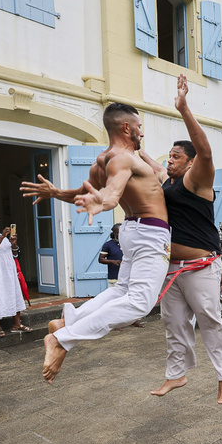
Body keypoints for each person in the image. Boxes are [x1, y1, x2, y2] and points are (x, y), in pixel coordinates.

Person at [20, 101, 170, 384]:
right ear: (127, 127)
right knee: (139, 304)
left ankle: (67, 323)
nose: (142, 133)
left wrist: (56, 192)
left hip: (132, 230)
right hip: (150, 232)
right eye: (140, 127)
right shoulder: (125, 159)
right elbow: (112, 194)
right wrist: (103, 202)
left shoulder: (102, 160)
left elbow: (83, 191)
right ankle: (63, 339)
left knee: (122, 290)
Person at [139, 75, 222, 403]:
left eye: (174, 157)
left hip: (202, 266)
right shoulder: (168, 181)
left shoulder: (197, 180)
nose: (168, 161)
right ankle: (177, 375)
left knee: (210, 320)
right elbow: (146, 160)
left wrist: (183, 108)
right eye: (168, 157)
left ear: (189, 162)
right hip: (174, 269)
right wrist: (130, 140)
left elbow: (206, 151)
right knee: (172, 322)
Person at [99, 223, 144, 329]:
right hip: (114, 277)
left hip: (130, 277)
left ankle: (133, 321)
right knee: (114, 302)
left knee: (132, 300)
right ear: (114, 233)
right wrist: (113, 261)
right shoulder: (108, 245)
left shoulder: (129, 244)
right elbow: (101, 259)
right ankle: (116, 323)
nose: (121, 235)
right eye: (118, 233)